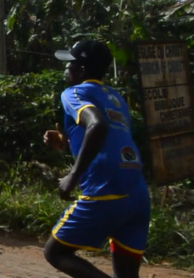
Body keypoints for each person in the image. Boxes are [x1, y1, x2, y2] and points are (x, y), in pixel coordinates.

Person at [41, 40, 150, 278]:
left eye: (70, 64)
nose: (65, 69)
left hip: (106, 189)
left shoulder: (74, 92)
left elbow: (97, 126)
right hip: (137, 193)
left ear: (81, 71)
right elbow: (109, 137)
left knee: (55, 252)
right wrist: (63, 142)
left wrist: (73, 176)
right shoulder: (115, 97)